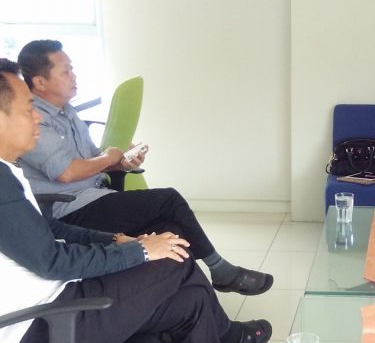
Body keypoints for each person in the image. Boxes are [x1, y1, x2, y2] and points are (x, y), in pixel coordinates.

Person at [0, 59, 272, 343]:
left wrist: (114, 240)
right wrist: (142, 251)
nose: (37, 118)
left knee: (189, 298)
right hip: (38, 332)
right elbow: (54, 262)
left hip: (53, 309)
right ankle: (225, 338)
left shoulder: (7, 171)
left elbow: (51, 229)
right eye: (27, 108)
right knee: (174, 257)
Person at [15, 39, 272, 297]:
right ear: (40, 82)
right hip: (70, 210)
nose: (74, 76)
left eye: (72, 69)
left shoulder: (67, 112)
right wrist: (108, 158)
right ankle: (221, 271)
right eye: (66, 71)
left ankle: (189, 298)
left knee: (170, 228)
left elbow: (92, 159)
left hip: (96, 196)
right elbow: (66, 172)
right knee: (169, 199)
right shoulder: (33, 120)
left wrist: (120, 162)